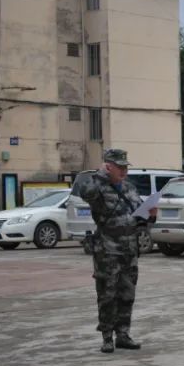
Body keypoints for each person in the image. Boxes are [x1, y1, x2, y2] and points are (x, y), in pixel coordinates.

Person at [77, 149, 157, 353]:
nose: (123, 171)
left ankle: (123, 334)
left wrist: (151, 214)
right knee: (107, 295)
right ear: (108, 166)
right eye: (119, 167)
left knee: (127, 294)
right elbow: (84, 192)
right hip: (107, 251)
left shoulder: (129, 188)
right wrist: (99, 175)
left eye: (125, 167)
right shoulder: (98, 187)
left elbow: (139, 213)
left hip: (129, 249)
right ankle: (106, 337)